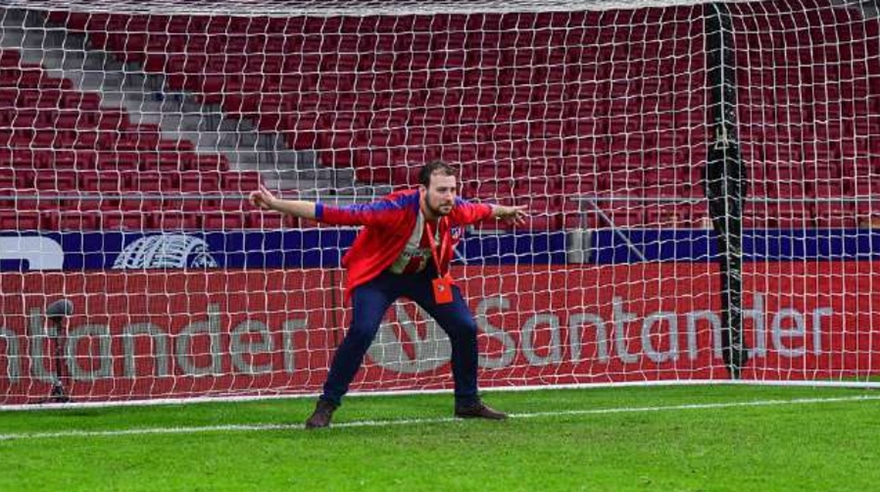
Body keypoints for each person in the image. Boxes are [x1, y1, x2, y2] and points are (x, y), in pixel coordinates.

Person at [249, 160, 528, 429]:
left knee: (465, 327)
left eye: (453, 190)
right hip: (380, 277)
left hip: (425, 276)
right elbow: (333, 213)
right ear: (422, 191)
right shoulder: (393, 208)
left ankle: (467, 402)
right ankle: (327, 404)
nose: (450, 197)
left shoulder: (457, 209)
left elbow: (485, 210)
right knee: (362, 331)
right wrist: (275, 204)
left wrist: (506, 210)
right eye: (442, 190)